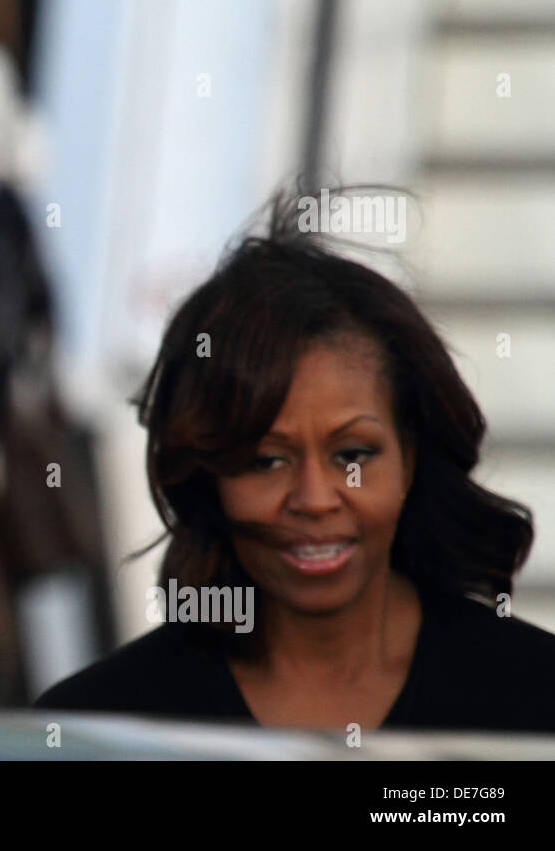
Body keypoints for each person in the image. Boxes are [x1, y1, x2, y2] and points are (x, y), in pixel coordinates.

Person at [36, 188, 555, 732]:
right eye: (265, 461)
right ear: (205, 476)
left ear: (411, 455)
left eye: (352, 454)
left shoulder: (538, 700)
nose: (313, 499)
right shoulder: (99, 724)